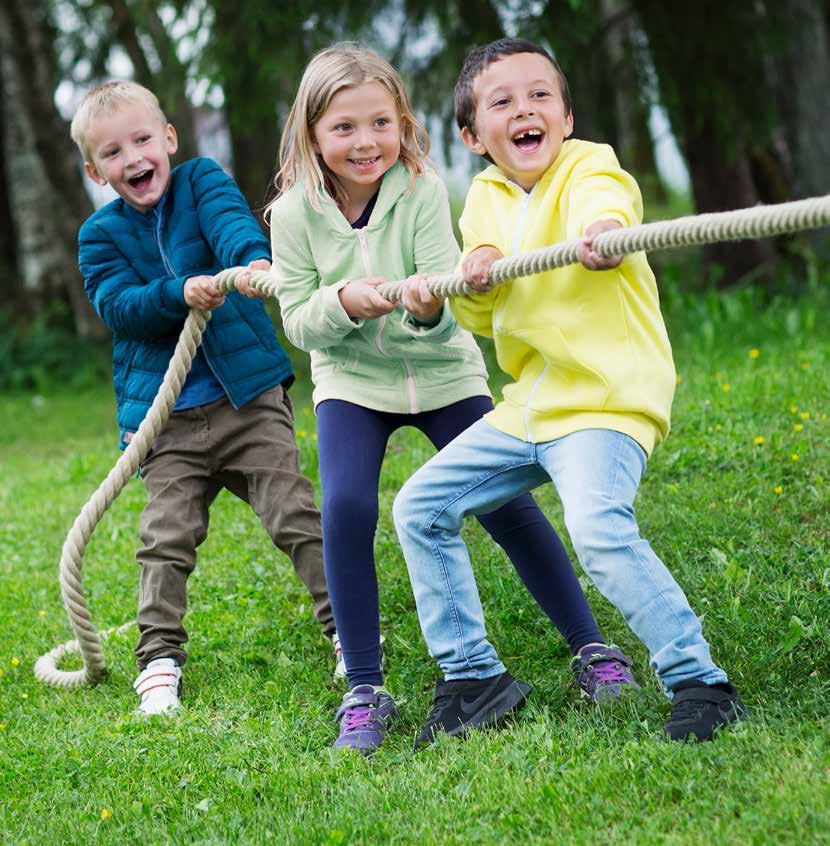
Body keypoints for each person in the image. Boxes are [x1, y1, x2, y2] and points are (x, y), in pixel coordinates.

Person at [268, 43, 636, 756]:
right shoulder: (292, 215)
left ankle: (591, 647)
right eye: (343, 128)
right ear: (311, 134)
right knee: (345, 507)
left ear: (402, 122)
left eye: (380, 122)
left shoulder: (423, 189)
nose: (365, 141)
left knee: (506, 505)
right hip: (351, 383)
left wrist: (422, 306)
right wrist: (345, 300)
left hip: (442, 373)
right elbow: (297, 318)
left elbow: (448, 295)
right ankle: (365, 687)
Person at [392, 38, 747, 746]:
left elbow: (608, 205)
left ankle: (700, 682)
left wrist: (605, 234)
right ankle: (473, 677)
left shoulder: (591, 166)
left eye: (539, 96)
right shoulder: (485, 200)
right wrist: (470, 277)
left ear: (566, 114)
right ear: (473, 137)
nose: (525, 109)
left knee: (597, 529)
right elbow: (483, 316)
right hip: (531, 405)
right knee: (418, 508)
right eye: (502, 102)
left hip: (605, 400)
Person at [71, 80, 335, 715]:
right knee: (165, 537)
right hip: (168, 422)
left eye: (141, 140)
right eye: (112, 152)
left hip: (247, 400)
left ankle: (346, 631)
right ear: (95, 171)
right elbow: (118, 307)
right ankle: (159, 659)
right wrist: (177, 293)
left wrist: (250, 262)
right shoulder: (99, 235)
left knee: (293, 514)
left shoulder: (201, 181)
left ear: (168, 139)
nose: (132, 158)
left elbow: (231, 226)